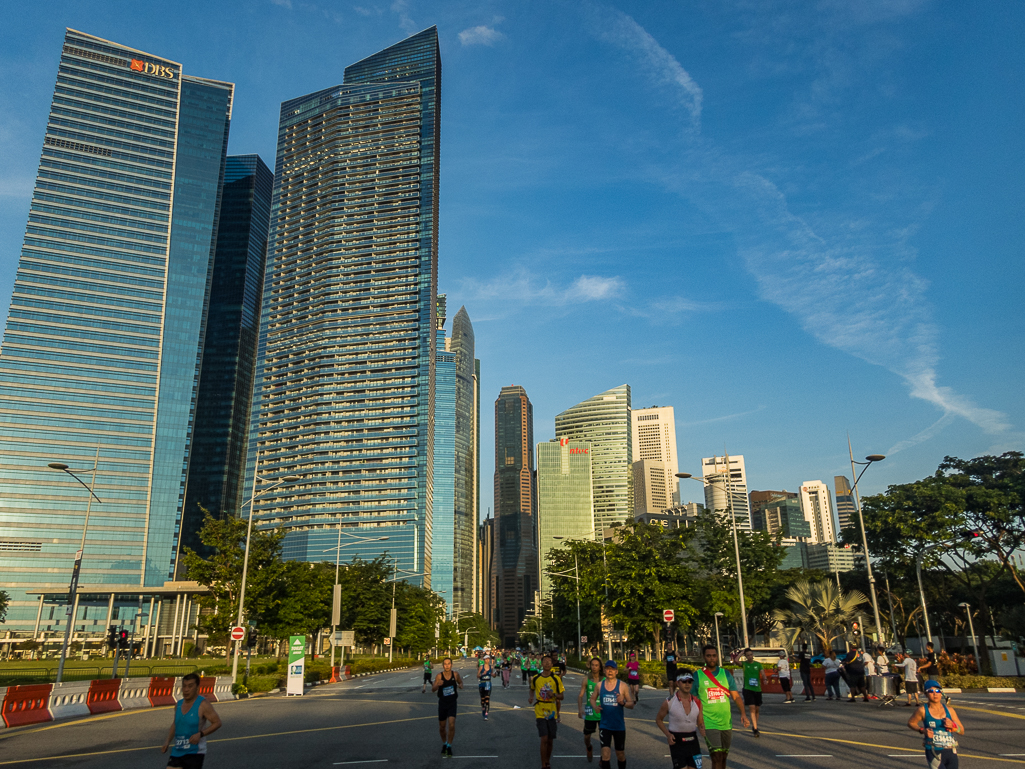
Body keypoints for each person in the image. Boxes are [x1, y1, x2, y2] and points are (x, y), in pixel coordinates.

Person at [693, 644, 749, 769]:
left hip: (726, 722)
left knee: (723, 757)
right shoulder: (697, 676)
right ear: (704, 657)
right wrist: (699, 721)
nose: (711, 658)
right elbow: (694, 700)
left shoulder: (726, 674)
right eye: (708, 656)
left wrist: (743, 714)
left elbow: (736, 696)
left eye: (714, 656)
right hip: (709, 722)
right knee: (716, 756)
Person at [161, 672, 222, 769]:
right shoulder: (178, 704)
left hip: (195, 752)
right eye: (184, 686)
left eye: (190, 686)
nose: (186, 690)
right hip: (178, 750)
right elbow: (175, 724)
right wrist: (167, 741)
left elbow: (217, 723)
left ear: (197, 688)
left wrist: (200, 734)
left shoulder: (203, 705)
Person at [908, 680, 964, 769]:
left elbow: (961, 730)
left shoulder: (950, 710)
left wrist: (953, 726)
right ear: (926, 694)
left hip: (950, 751)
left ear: (941, 693)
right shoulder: (922, 710)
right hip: (933, 750)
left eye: (938, 691)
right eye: (931, 691)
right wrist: (922, 730)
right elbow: (911, 723)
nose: (935, 694)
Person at [590, 660, 634, 769]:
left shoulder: (622, 686)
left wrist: (623, 702)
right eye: (608, 669)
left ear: (616, 671)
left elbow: (631, 704)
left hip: (618, 726)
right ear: (604, 671)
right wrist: (595, 707)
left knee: (620, 754)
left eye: (612, 669)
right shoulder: (599, 686)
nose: (610, 671)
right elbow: (592, 698)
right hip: (605, 725)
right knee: (605, 754)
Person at [656, 672, 705, 769]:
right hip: (677, 741)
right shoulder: (669, 702)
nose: (687, 684)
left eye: (690, 682)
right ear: (678, 683)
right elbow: (659, 720)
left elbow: (700, 722)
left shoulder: (698, 702)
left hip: (692, 741)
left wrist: (702, 728)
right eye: (684, 681)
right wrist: (668, 734)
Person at [529, 654, 565, 769]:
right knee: (544, 738)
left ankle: (547, 759)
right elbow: (532, 688)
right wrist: (531, 697)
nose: (547, 663)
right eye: (545, 661)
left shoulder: (556, 679)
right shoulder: (536, 678)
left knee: (550, 739)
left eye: (549, 662)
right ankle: (543, 763)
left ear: (552, 664)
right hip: (540, 710)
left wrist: (553, 694)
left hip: (552, 711)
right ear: (542, 663)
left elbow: (561, 696)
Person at [432, 657, 464, 756]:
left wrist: (460, 685)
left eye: (448, 663)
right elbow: (433, 689)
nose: (447, 665)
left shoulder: (455, 674)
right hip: (442, 703)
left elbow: (460, 682)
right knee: (442, 727)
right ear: (443, 666)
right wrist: (438, 685)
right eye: (445, 664)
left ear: (451, 665)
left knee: (451, 724)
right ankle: (444, 743)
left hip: (452, 703)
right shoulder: (439, 676)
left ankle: (449, 746)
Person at [578, 656, 604, 763]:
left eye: (596, 665)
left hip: (602, 712)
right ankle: (589, 747)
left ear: (600, 667)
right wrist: (580, 709)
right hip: (590, 711)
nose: (594, 667)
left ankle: (604, 758)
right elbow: (580, 695)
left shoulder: (605, 680)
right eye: (592, 665)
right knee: (587, 736)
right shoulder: (586, 680)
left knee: (604, 738)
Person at [740, 648, 766, 736]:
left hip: (757, 689)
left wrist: (765, 679)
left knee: (757, 709)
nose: (750, 656)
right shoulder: (744, 664)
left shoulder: (758, 665)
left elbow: (762, 673)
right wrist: (741, 653)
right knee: (752, 708)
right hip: (748, 689)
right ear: (745, 657)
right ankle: (755, 729)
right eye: (748, 655)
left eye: (751, 655)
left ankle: (755, 724)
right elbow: (736, 660)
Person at [478, 655, 494, 720]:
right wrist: (482, 674)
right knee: (483, 700)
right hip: (482, 683)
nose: (487, 660)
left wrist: (494, 675)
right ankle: (483, 708)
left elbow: (493, 675)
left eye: (488, 659)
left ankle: (486, 714)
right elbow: (477, 675)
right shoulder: (481, 667)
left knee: (487, 699)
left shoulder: (491, 667)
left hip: (488, 683)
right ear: (484, 660)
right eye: (486, 659)